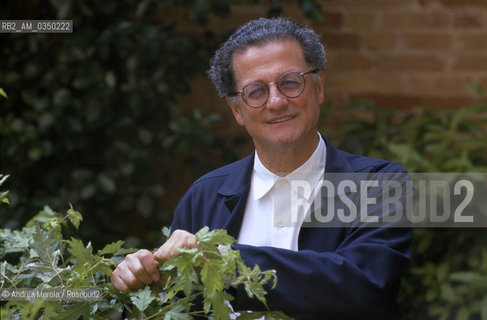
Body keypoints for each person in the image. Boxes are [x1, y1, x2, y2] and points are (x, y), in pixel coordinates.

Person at [111, 17, 412, 319]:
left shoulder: (380, 184)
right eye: (256, 91)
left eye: (290, 82)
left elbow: (362, 288)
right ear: (236, 110)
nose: (277, 101)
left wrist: (224, 260)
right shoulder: (205, 196)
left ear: (318, 88)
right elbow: (179, 304)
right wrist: (138, 283)